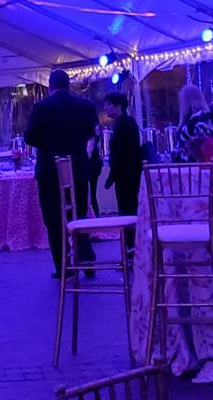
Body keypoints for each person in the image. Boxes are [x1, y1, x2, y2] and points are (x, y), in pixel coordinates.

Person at [25, 69, 98, 275]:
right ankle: (86, 259)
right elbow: (91, 133)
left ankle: (63, 267)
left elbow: (30, 137)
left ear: (50, 86)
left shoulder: (41, 107)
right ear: (68, 84)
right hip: (78, 167)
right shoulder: (85, 105)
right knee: (80, 213)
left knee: (53, 219)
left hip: (50, 170)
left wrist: (48, 142)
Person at [103, 92, 143, 217]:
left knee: (126, 209)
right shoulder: (127, 122)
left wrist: (112, 176)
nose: (105, 108)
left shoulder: (122, 124)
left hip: (126, 174)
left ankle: (129, 230)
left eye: (108, 104)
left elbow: (120, 153)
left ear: (119, 106)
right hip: (130, 172)